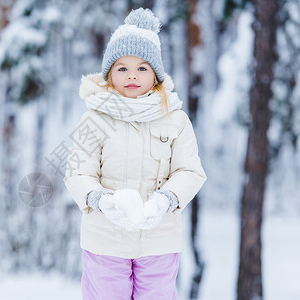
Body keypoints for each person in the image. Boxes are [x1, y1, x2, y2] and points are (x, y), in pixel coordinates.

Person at [64, 8, 207, 300]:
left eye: (142, 68)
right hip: (105, 239)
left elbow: (190, 171)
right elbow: (78, 172)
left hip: (159, 239)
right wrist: (100, 199)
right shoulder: (95, 118)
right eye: (122, 68)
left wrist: (166, 200)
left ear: (155, 73)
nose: (132, 75)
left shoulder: (175, 118)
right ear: (109, 73)